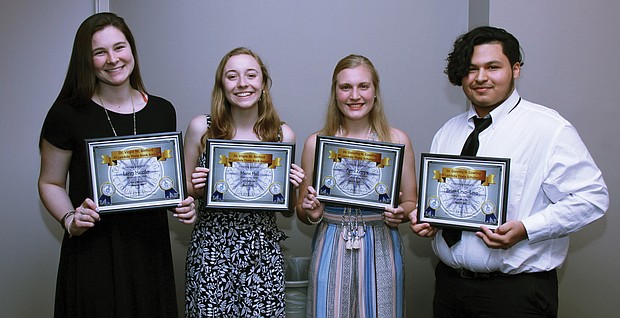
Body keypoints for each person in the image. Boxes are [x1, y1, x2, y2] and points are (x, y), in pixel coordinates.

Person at [409, 26, 609, 317]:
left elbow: (592, 199)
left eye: (492, 67)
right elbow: (447, 199)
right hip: (449, 287)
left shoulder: (549, 129)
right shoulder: (448, 132)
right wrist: (428, 219)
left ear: (515, 69)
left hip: (515, 294)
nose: (480, 78)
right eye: (471, 69)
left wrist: (526, 229)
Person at [38, 12, 196, 318]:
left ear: (132, 50)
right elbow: (50, 182)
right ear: (87, 60)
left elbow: (163, 183)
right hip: (93, 253)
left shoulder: (163, 111)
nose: (113, 59)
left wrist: (181, 204)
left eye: (119, 47)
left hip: (150, 251)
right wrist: (70, 219)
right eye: (100, 52)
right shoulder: (66, 115)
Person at [183, 47, 305, 317]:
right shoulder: (201, 128)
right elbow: (183, 192)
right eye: (232, 76)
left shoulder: (281, 135)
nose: (242, 84)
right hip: (210, 252)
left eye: (251, 75)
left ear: (263, 84)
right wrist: (197, 188)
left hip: (262, 253)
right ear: (221, 86)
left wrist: (293, 187)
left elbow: (287, 209)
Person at [297, 54, 417, 318]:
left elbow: (410, 203)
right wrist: (312, 212)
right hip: (330, 242)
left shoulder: (397, 140)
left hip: (382, 244)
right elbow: (302, 212)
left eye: (363, 86)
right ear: (335, 93)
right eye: (345, 87)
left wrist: (402, 213)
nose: (355, 95)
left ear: (375, 92)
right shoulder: (315, 143)